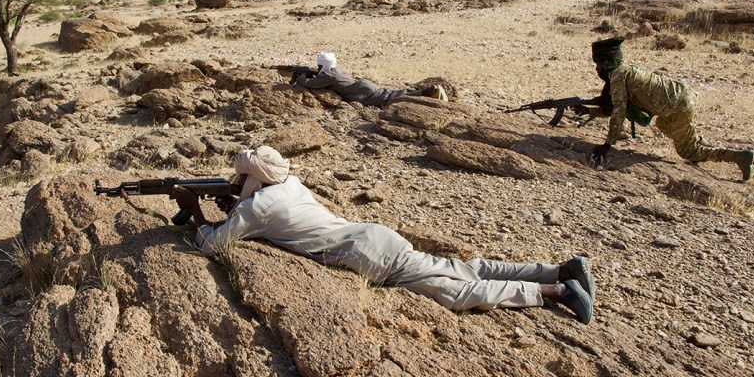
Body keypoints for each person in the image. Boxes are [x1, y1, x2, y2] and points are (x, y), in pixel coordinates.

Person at [170, 146, 596, 324]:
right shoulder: (290, 185)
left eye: (241, 176)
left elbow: (212, 245)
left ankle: (557, 291)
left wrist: (195, 210)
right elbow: (271, 213)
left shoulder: (256, 208)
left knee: (457, 292)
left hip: (370, 259)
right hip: (374, 237)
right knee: (462, 267)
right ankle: (557, 269)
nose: (236, 181)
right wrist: (234, 205)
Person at [587, 37, 754, 181]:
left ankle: (739, 157)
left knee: (687, 151)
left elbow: (619, 110)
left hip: (676, 107)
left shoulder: (617, 76)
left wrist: (607, 144)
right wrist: (589, 111)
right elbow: (616, 107)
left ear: (607, 62)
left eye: (598, 64)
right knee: (664, 124)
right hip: (682, 98)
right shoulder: (626, 71)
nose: (597, 69)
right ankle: (701, 143)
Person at [293, 51, 449, 107]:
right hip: (365, 86)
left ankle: (430, 93)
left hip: (363, 93)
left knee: (392, 99)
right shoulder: (336, 71)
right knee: (393, 93)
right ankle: (426, 92)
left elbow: (310, 84)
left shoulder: (328, 75)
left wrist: (301, 77)